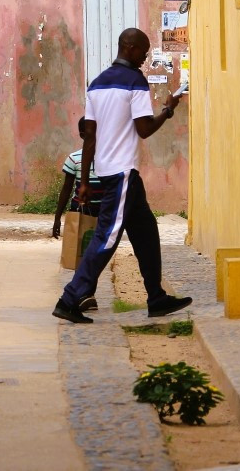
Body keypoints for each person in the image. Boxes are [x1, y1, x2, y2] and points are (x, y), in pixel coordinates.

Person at [53, 28, 192, 324]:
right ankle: (69, 298)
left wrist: (86, 182)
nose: (145, 57)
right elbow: (143, 129)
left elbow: (89, 136)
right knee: (107, 236)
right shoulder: (135, 82)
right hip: (122, 172)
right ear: (128, 47)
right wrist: (168, 110)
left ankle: (156, 296)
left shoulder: (96, 84)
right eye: (143, 50)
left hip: (107, 171)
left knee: (146, 231)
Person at [52, 116, 103, 240]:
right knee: (79, 246)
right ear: (82, 135)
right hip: (80, 210)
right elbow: (66, 189)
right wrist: (57, 218)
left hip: (104, 211)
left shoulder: (107, 157)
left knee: (99, 247)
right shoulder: (74, 158)